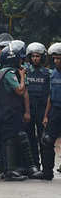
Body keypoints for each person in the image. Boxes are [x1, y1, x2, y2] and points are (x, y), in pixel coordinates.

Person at [0, 41, 42, 181]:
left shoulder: (8, 72)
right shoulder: (8, 73)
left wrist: (26, 111)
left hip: (11, 112)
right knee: (11, 139)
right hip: (8, 113)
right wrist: (23, 76)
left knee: (18, 138)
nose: (22, 61)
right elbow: (20, 90)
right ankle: (10, 171)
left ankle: (25, 168)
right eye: (20, 58)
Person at [24, 42, 50, 170]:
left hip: (42, 109)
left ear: (42, 57)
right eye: (33, 56)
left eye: (38, 56)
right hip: (29, 109)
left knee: (43, 138)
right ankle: (34, 164)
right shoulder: (26, 72)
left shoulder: (47, 73)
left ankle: (46, 166)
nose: (35, 58)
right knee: (30, 137)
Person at [38, 43, 61, 180]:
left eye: (59, 58)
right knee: (47, 140)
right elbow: (50, 96)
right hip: (55, 110)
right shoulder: (53, 75)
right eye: (55, 58)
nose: (56, 61)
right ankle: (47, 171)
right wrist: (46, 115)